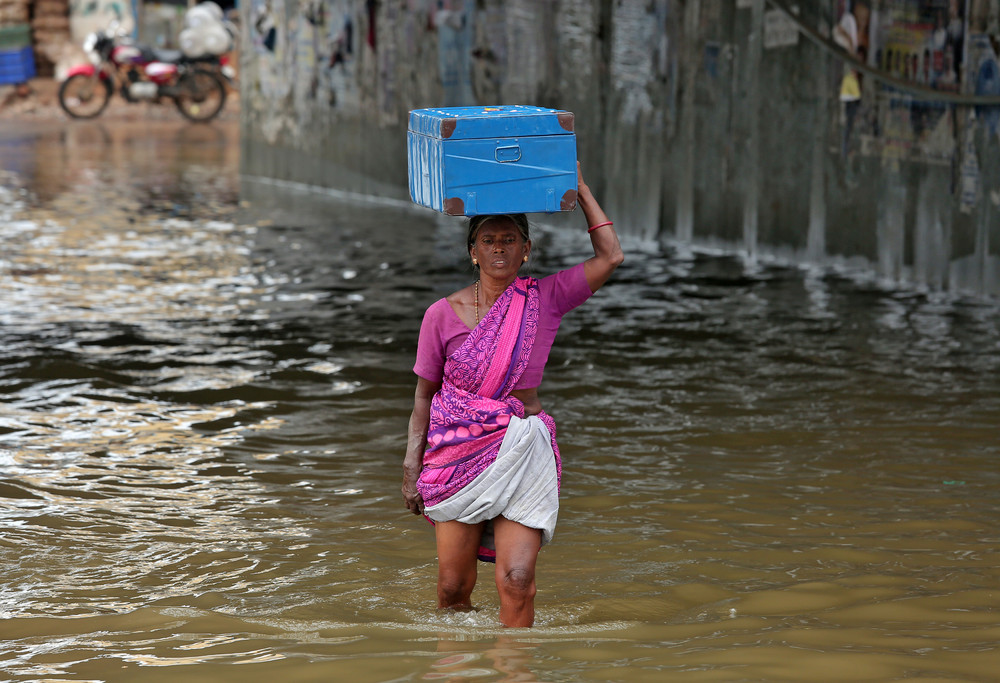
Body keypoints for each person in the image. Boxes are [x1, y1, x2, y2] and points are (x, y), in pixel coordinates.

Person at [401, 164, 624, 627]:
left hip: (522, 449)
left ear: (526, 251)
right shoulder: (440, 316)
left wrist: (580, 188)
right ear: (472, 252)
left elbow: (610, 257)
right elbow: (424, 396)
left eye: (509, 239)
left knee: (518, 580)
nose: (499, 247)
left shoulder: (547, 298)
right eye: (488, 240)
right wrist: (410, 464)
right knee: (452, 588)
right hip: (457, 454)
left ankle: (514, 671)